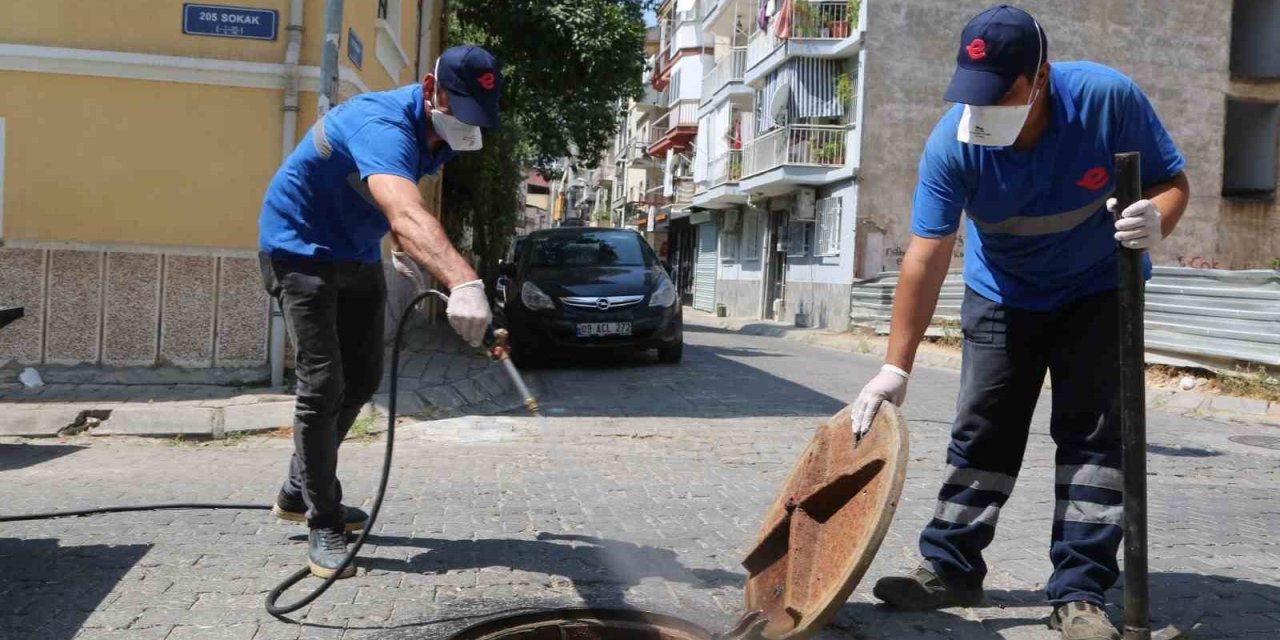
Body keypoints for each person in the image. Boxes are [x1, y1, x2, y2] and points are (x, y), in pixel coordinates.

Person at [850, 6, 1190, 640]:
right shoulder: (952, 143)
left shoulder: (1105, 99)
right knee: (983, 432)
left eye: (1001, 94)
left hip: (1097, 290)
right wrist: (896, 366)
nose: (984, 111)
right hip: (1001, 294)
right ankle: (951, 567)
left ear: (1041, 78)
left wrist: (1158, 219)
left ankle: (1080, 591)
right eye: (973, 96)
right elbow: (926, 256)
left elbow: (1172, 180)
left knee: (1094, 441)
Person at [257, 45, 502, 579]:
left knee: (364, 377)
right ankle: (322, 520)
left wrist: (400, 242)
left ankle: (299, 489)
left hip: (356, 253)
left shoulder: (441, 135)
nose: (465, 122)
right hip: (298, 251)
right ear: (430, 86)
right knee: (323, 384)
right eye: (457, 106)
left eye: (476, 114)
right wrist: (462, 280)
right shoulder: (380, 121)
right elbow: (405, 205)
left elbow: (389, 193)